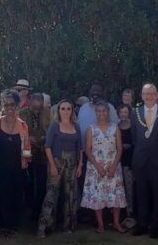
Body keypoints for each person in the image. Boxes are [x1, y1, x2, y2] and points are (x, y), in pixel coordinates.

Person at [129, 84, 158, 238]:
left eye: (152, 94)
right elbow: (135, 137)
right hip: (140, 160)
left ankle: (156, 226)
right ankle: (142, 224)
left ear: (157, 95)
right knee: (141, 192)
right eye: (146, 94)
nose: (149, 96)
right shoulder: (135, 112)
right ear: (141, 96)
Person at [0, 89, 30, 237]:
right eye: (6, 105)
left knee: (17, 194)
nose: (10, 108)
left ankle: (14, 224)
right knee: (4, 194)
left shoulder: (23, 125)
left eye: (12, 104)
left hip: (18, 166)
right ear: (1, 106)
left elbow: (26, 146)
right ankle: (5, 225)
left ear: (18, 105)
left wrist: (26, 159)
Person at [38, 99, 83, 237]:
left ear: (72, 110)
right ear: (58, 111)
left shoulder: (76, 126)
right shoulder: (54, 126)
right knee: (51, 194)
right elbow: (47, 147)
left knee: (71, 195)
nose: (65, 111)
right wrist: (52, 165)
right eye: (63, 108)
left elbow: (80, 147)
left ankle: (68, 225)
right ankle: (44, 227)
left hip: (72, 163)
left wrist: (80, 164)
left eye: (68, 108)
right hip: (57, 162)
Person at [81, 102, 127, 233]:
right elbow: (88, 150)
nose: (101, 113)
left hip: (113, 164)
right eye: (99, 111)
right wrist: (98, 167)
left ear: (108, 112)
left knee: (116, 194)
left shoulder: (115, 128)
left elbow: (119, 149)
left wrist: (113, 166)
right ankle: (100, 224)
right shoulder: (91, 129)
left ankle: (116, 223)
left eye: (104, 111)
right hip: (96, 166)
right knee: (98, 195)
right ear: (96, 113)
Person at [19, 93, 51, 219]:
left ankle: (38, 210)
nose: (38, 107)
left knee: (41, 181)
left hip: (42, 151)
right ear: (30, 101)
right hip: (27, 149)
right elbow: (19, 129)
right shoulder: (22, 113)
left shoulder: (48, 113)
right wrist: (28, 138)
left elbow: (51, 128)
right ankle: (27, 206)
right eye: (36, 103)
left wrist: (45, 138)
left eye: (40, 103)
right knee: (28, 178)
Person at [116, 104, 134, 224]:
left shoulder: (134, 126)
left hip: (130, 161)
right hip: (118, 162)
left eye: (125, 112)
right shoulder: (116, 126)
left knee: (129, 188)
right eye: (121, 112)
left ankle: (130, 213)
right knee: (119, 188)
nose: (123, 114)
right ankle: (119, 215)